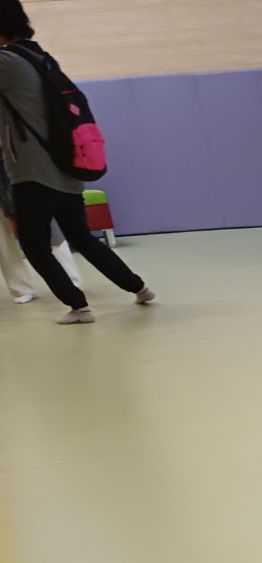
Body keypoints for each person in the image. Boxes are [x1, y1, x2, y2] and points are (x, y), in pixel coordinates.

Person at [0, 0, 153, 323]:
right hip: (66, 168)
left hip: (33, 172)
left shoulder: (7, 62)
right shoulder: (42, 58)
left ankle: (78, 307)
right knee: (82, 237)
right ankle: (139, 288)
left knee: (34, 245)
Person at [1, 153, 81, 302]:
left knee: (49, 230)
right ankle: (21, 289)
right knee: (3, 241)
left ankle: (70, 279)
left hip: (24, 173)